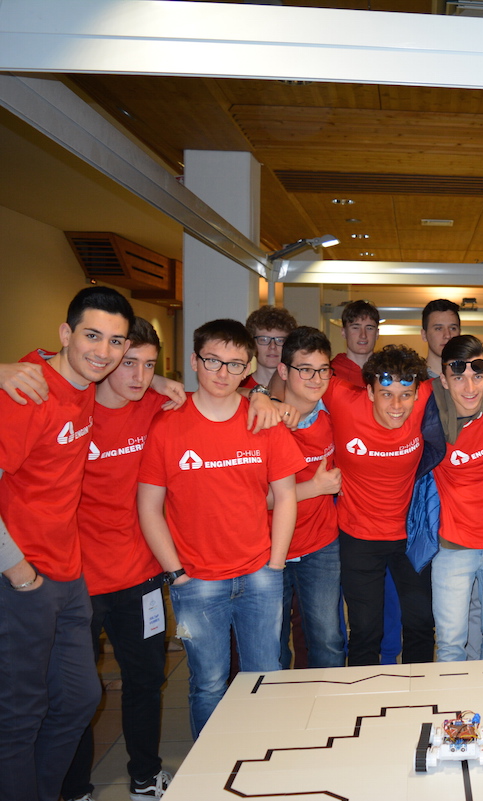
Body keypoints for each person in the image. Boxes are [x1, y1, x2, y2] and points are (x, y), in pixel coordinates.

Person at [137, 319, 305, 737]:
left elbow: (286, 496)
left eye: (234, 364)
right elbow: (149, 507)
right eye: (212, 360)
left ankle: (260, 759)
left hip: (260, 575)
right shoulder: (167, 425)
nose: (222, 372)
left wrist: (276, 564)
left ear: (247, 369)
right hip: (196, 580)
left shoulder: (263, 421)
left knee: (265, 676)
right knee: (208, 684)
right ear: (195, 361)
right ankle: (210, 770)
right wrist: (176, 573)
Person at [0, 287, 131, 801]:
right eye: (92, 336)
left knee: (78, 699)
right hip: (22, 578)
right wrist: (17, 571)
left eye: (116, 341)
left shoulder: (83, 383)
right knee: (20, 714)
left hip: (69, 575)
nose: (103, 351)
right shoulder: (26, 393)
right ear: (66, 333)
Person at [61, 318, 175, 801]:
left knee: (145, 682)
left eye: (149, 366)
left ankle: (145, 776)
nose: (139, 377)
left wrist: (263, 397)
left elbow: (217, 398)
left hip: (141, 576)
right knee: (76, 693)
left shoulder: (158, 407)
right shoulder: (73, 405)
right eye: (129, 363)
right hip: (78, 580)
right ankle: (75, 788)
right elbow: (45, 364)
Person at [410, 335, 483, 661]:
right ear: (444, 380)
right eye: (458, 377)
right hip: (454, 549)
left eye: (478, 376)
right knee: (451, 644)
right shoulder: (430, 412)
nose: (469, 387)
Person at [325, 344, 436, 666]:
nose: (397, 406)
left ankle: (419, 689)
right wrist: (263, 395)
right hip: (358, 536)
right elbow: (293, 373)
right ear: (370, 392)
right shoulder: (343, 399)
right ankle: (365, 694)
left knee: (420, 624)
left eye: (406, 395)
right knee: (365, 631)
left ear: (417, 393)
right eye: (386, 394)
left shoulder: (426, 396)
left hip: (409, 536)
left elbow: (475, 372)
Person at [273, 327, 345, 669]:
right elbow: (253, 499)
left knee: (328, 641)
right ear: (283, 370)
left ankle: (326, 702)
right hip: (268, 547)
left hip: (321, 544)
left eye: (322, 370)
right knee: (271, 647)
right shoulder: (263, 422)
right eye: (305, 369)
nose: (316, 379)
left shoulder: (332, 416)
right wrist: (314, 488)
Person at [243, 306, 297, 390]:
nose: (272, 346)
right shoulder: (237, 388)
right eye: (264, 340)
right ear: (252, 344)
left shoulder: (300, 389)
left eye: (280, 340)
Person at [331, 300, 379, 388]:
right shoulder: (329, 373)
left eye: (369, 328)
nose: (363, 335)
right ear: (344, 332)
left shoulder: (389, 373)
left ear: (377, 334)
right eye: (356, 328)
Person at [422, 299, 462, 377]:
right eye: (438, 329)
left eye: (453, 328)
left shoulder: (473, 377)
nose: (447, 335)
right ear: (424, 335)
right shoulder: (411, 379)